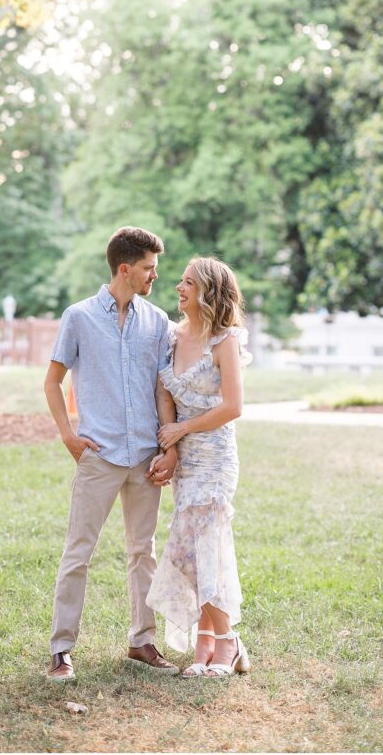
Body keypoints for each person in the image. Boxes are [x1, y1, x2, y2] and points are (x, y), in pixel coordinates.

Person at [44, 226, 180, 681]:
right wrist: (69, 436)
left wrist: (168, 448)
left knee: (144, 551)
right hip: (99, 455)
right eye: (148, 268)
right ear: (125, 268)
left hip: (143, 455)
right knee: (78, 552)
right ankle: (61, 649)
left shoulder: (157, 322)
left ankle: (142, 641)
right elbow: (52, 381)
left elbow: (163, 389)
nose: (155, 276)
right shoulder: (79, 317)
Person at [146, 256, 252, 677]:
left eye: (188, 282)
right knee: (192, 550)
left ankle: (227, 641)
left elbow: (233, 406)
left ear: (208, 291)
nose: (178, 287)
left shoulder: (224, 341)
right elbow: (163, 392)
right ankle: (205, 642)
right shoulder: (173, 337)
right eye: (181, 280)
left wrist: (183, 428)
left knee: (206, 546)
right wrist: (171, 443)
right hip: (185, 459)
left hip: (215, 456)